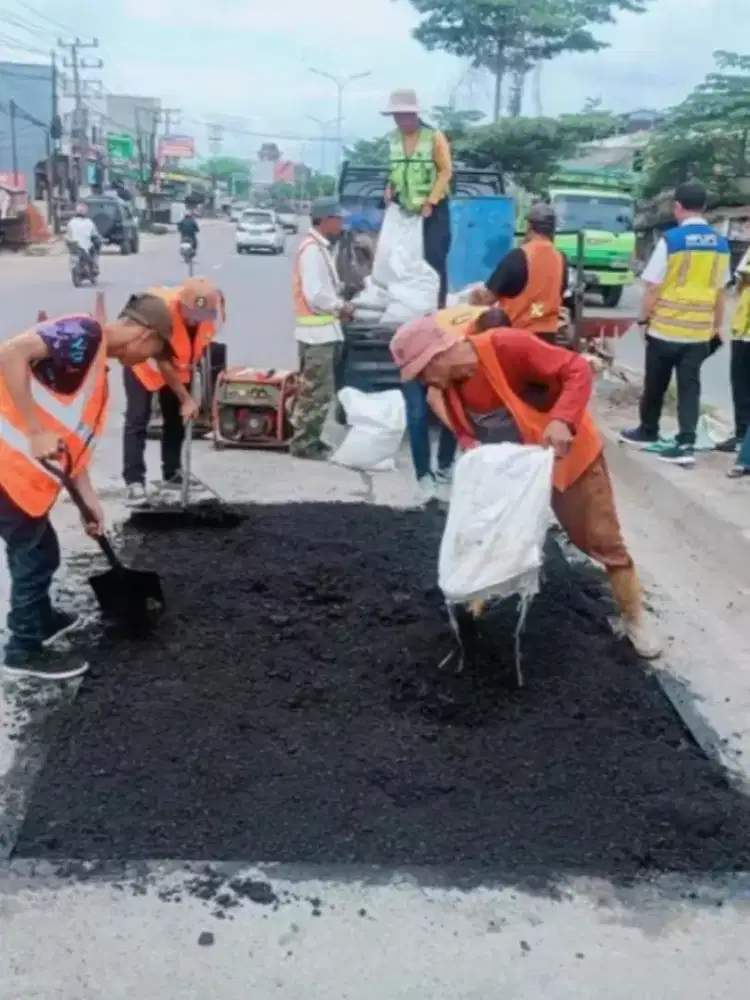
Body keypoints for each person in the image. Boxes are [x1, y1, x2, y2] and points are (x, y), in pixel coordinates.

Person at [389, 312, 662, 660]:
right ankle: (474, 607)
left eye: (421, 372)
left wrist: (563, 420)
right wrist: (472, 449)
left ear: (437, 357)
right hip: (513, 469)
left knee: (600, 538)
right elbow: (462, 429)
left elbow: (577, 369)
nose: (422, 381)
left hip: (565, 459)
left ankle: (634, 618)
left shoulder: (506, 346)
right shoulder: (444, 389)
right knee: (489, 532)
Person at [0, 292, 175, 680]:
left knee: (42, 552)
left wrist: (88, 501)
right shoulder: (83, 333)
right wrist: (35, 430)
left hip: (18, 475)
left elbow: (72, 443)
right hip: (6, 470)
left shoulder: (95, 371)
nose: (148, 361)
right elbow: (10, 352)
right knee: (32, 557)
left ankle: (42, 620)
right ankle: (22, 651)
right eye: (155, 352)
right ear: (146, 335)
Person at [620, 180, 730, 466]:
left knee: (656, 382)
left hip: (666, 328)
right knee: (690, 387)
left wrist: (643, 320)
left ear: (677, 207)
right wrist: (716, 327)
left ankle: (648, 431)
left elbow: (652, 287)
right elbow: (720, 291)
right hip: (699, 332)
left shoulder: (671, 240)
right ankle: (686, 443)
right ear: (703, 207)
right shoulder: (720, 244)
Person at [122, 277, 224, 505]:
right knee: (137, 420)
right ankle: (134, 482)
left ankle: (173, 473)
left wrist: (188, 397)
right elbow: (163, 363)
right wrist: (186, 398)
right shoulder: (160, 312)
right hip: (143, 365)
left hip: (178, 370)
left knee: (176, 421)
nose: (196, 321)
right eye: (192, 316)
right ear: (182, 306)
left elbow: (198, 348)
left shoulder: (210, 314)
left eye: (202, 316)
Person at [290, 197, 353, 460]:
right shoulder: (312, 251)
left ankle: (311, 439)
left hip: (322, 333)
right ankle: (305, 444)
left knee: (316, 392)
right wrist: (340, 306)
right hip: (317, 336)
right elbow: (315, 294)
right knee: (316, 393)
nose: (342, 224)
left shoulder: (319, 247)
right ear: (325, 220)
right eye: (338, 219)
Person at [382, 89, 453, 308]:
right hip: (406, 211)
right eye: (396, 116)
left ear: (414, 115)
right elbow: (396, 169)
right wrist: (389, 187)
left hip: (434, 211)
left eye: (403, 115)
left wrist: (431, 202)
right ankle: (411, 303)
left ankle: (438, 306)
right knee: (405, 259)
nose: (399, 120)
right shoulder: (394, 138)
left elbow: (446, 171)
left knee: (433, 257)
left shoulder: (433, 136)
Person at [469, 203, 569, 344]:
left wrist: (472, 298)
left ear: (529, 227)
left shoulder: (518, 256)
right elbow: (560, 292)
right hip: (548, 338)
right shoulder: (561, 259)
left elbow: (487, 299)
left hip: (516, 337)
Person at [717, 246, 750, 457]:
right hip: (743, 330)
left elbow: (741, 282)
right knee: (742, 388)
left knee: (742, 387)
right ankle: (741, 437)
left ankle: (742, 438)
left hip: (746, 331)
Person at [65, 202, 101, 277]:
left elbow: (67, 234)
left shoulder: (71, 222)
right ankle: (93, 267)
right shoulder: (89, 222)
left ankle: (88, 268)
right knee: (93, 251)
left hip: (74, 245)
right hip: (84, 246)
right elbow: (95, 234)